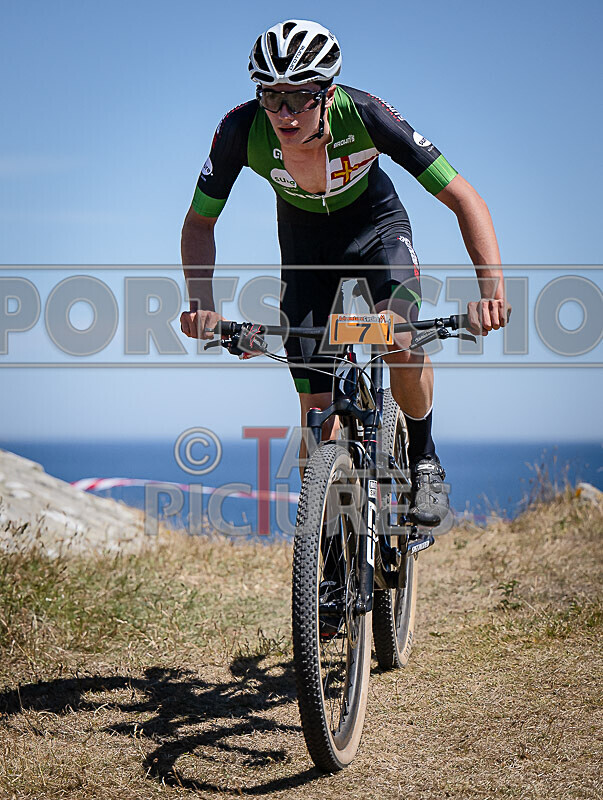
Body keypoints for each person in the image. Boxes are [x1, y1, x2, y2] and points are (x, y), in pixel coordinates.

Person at [180, 19, 510, 527]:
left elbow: (466, 199)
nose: (284, 113)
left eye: (300, 97)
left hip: (377, 232)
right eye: (272, 96)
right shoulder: (240, 130)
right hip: (306, 250)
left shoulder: (367, 115)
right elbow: (200, 222)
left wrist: (492, 292)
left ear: (327, 93)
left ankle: (424, 459)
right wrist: (202, 304)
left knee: (397, 336)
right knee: (315, 414)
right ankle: (332, 542)